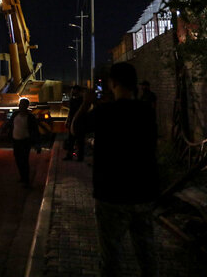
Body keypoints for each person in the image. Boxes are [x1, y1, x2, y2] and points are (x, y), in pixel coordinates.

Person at [71, 62, 160, 277]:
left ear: (113, 83)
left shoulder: (104, 112)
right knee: (147, 254)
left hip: (111, 194)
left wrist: (86, 104)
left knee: (111, 256)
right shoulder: (146, 112)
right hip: (142, 192)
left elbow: (75, 129)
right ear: (135, 83)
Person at [10, 98, 40, 188]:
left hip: (25, 142)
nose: (21, 106)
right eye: (20, 104)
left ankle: (26, 179)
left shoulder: (30, 117)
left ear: (26, 106)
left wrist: (37, 144)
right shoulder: (15, 115)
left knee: (24, 160)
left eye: (23, 105)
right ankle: (22, 177)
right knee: (18, 160)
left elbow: (35, 131)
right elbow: (9, 124)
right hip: (16, 141)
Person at [63, 86, 85, 161]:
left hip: (80, 121)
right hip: (72, 121)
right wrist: (67, 120)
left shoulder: (82, 100)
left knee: (80, 140)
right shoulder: (72, 100)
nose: (72, 92)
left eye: (74, 91)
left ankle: (80, 157)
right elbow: (70, 111)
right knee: (71, 139)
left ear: (78, 91)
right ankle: (69, 155)